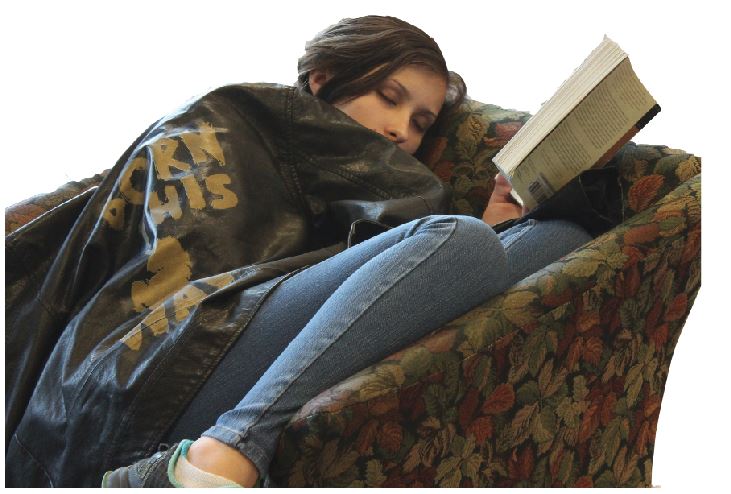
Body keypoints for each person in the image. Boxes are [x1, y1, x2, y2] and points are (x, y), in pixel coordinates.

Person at [97, 15, 592, 488]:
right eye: (389, 98)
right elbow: (190, 264)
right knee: (461, 240)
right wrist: (470, 238)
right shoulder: (239, 119)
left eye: (421, 122)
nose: (402, 130)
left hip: (265, 337)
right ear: (322, 77)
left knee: (563, 240)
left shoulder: (375, 184)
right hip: (178, 358)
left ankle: (216, 456)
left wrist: (496, 227)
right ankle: (228, 451)